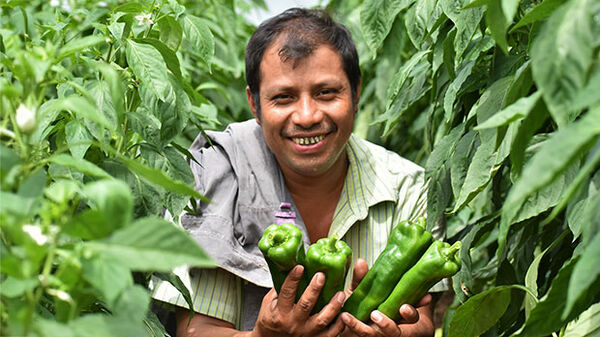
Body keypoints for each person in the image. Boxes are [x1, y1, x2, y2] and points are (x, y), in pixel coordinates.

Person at [151, 7, 446, 337]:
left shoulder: (407, 186)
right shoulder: (216, 172)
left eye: (326, 93)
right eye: (283, 97)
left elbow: (423, 317)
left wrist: (388, 332)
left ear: (356, 92)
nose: (306, 116)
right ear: (255, 104)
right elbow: (196, 330)